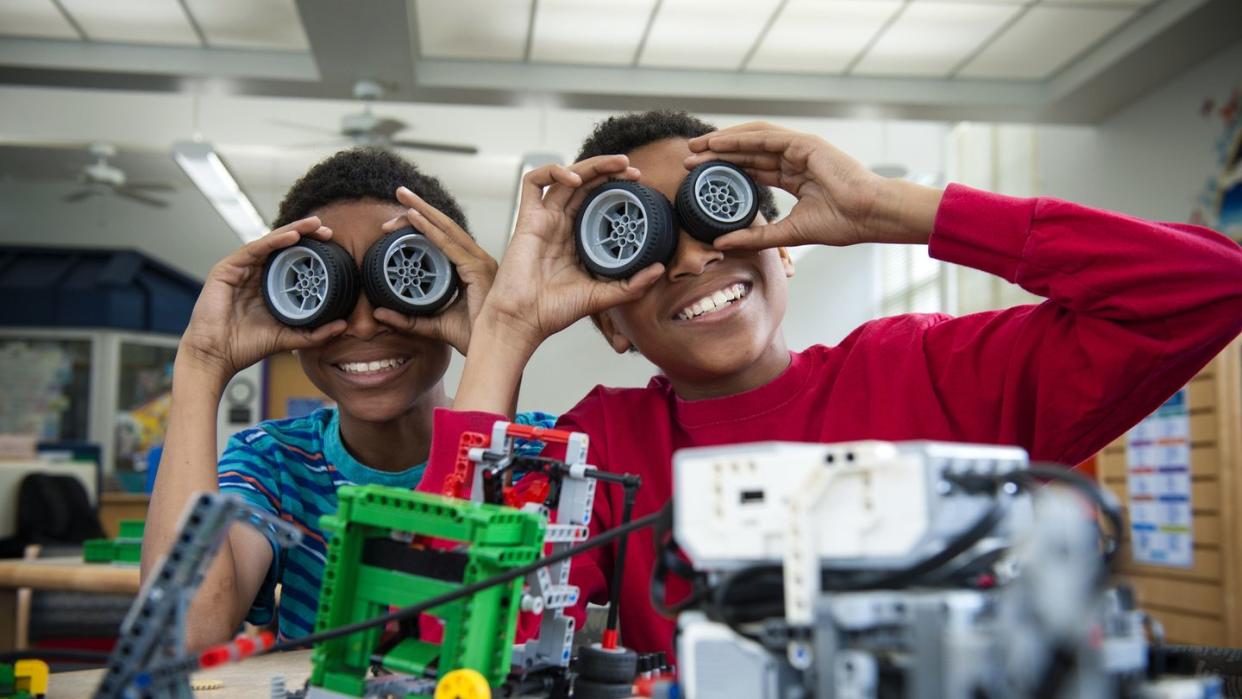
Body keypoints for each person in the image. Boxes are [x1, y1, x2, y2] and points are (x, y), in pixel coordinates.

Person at [416, 111, 1242, 658]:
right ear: (612, 323)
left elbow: (1205, 287)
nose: (698, 258)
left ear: (782, 248)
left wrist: (894, 207)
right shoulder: (599, 450)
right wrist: (505, 332)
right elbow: (449, 643)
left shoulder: (926, 374)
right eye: (641, 246)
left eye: (722, 218)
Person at [143, 148, 553, 649]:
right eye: (323, 288)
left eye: (405, 280)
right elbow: (179, 637)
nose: (361, 324)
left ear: (455, 288)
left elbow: (454, 624)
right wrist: (200, 363)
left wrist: (499, 340)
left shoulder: (544, 458)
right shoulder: (273, 463)